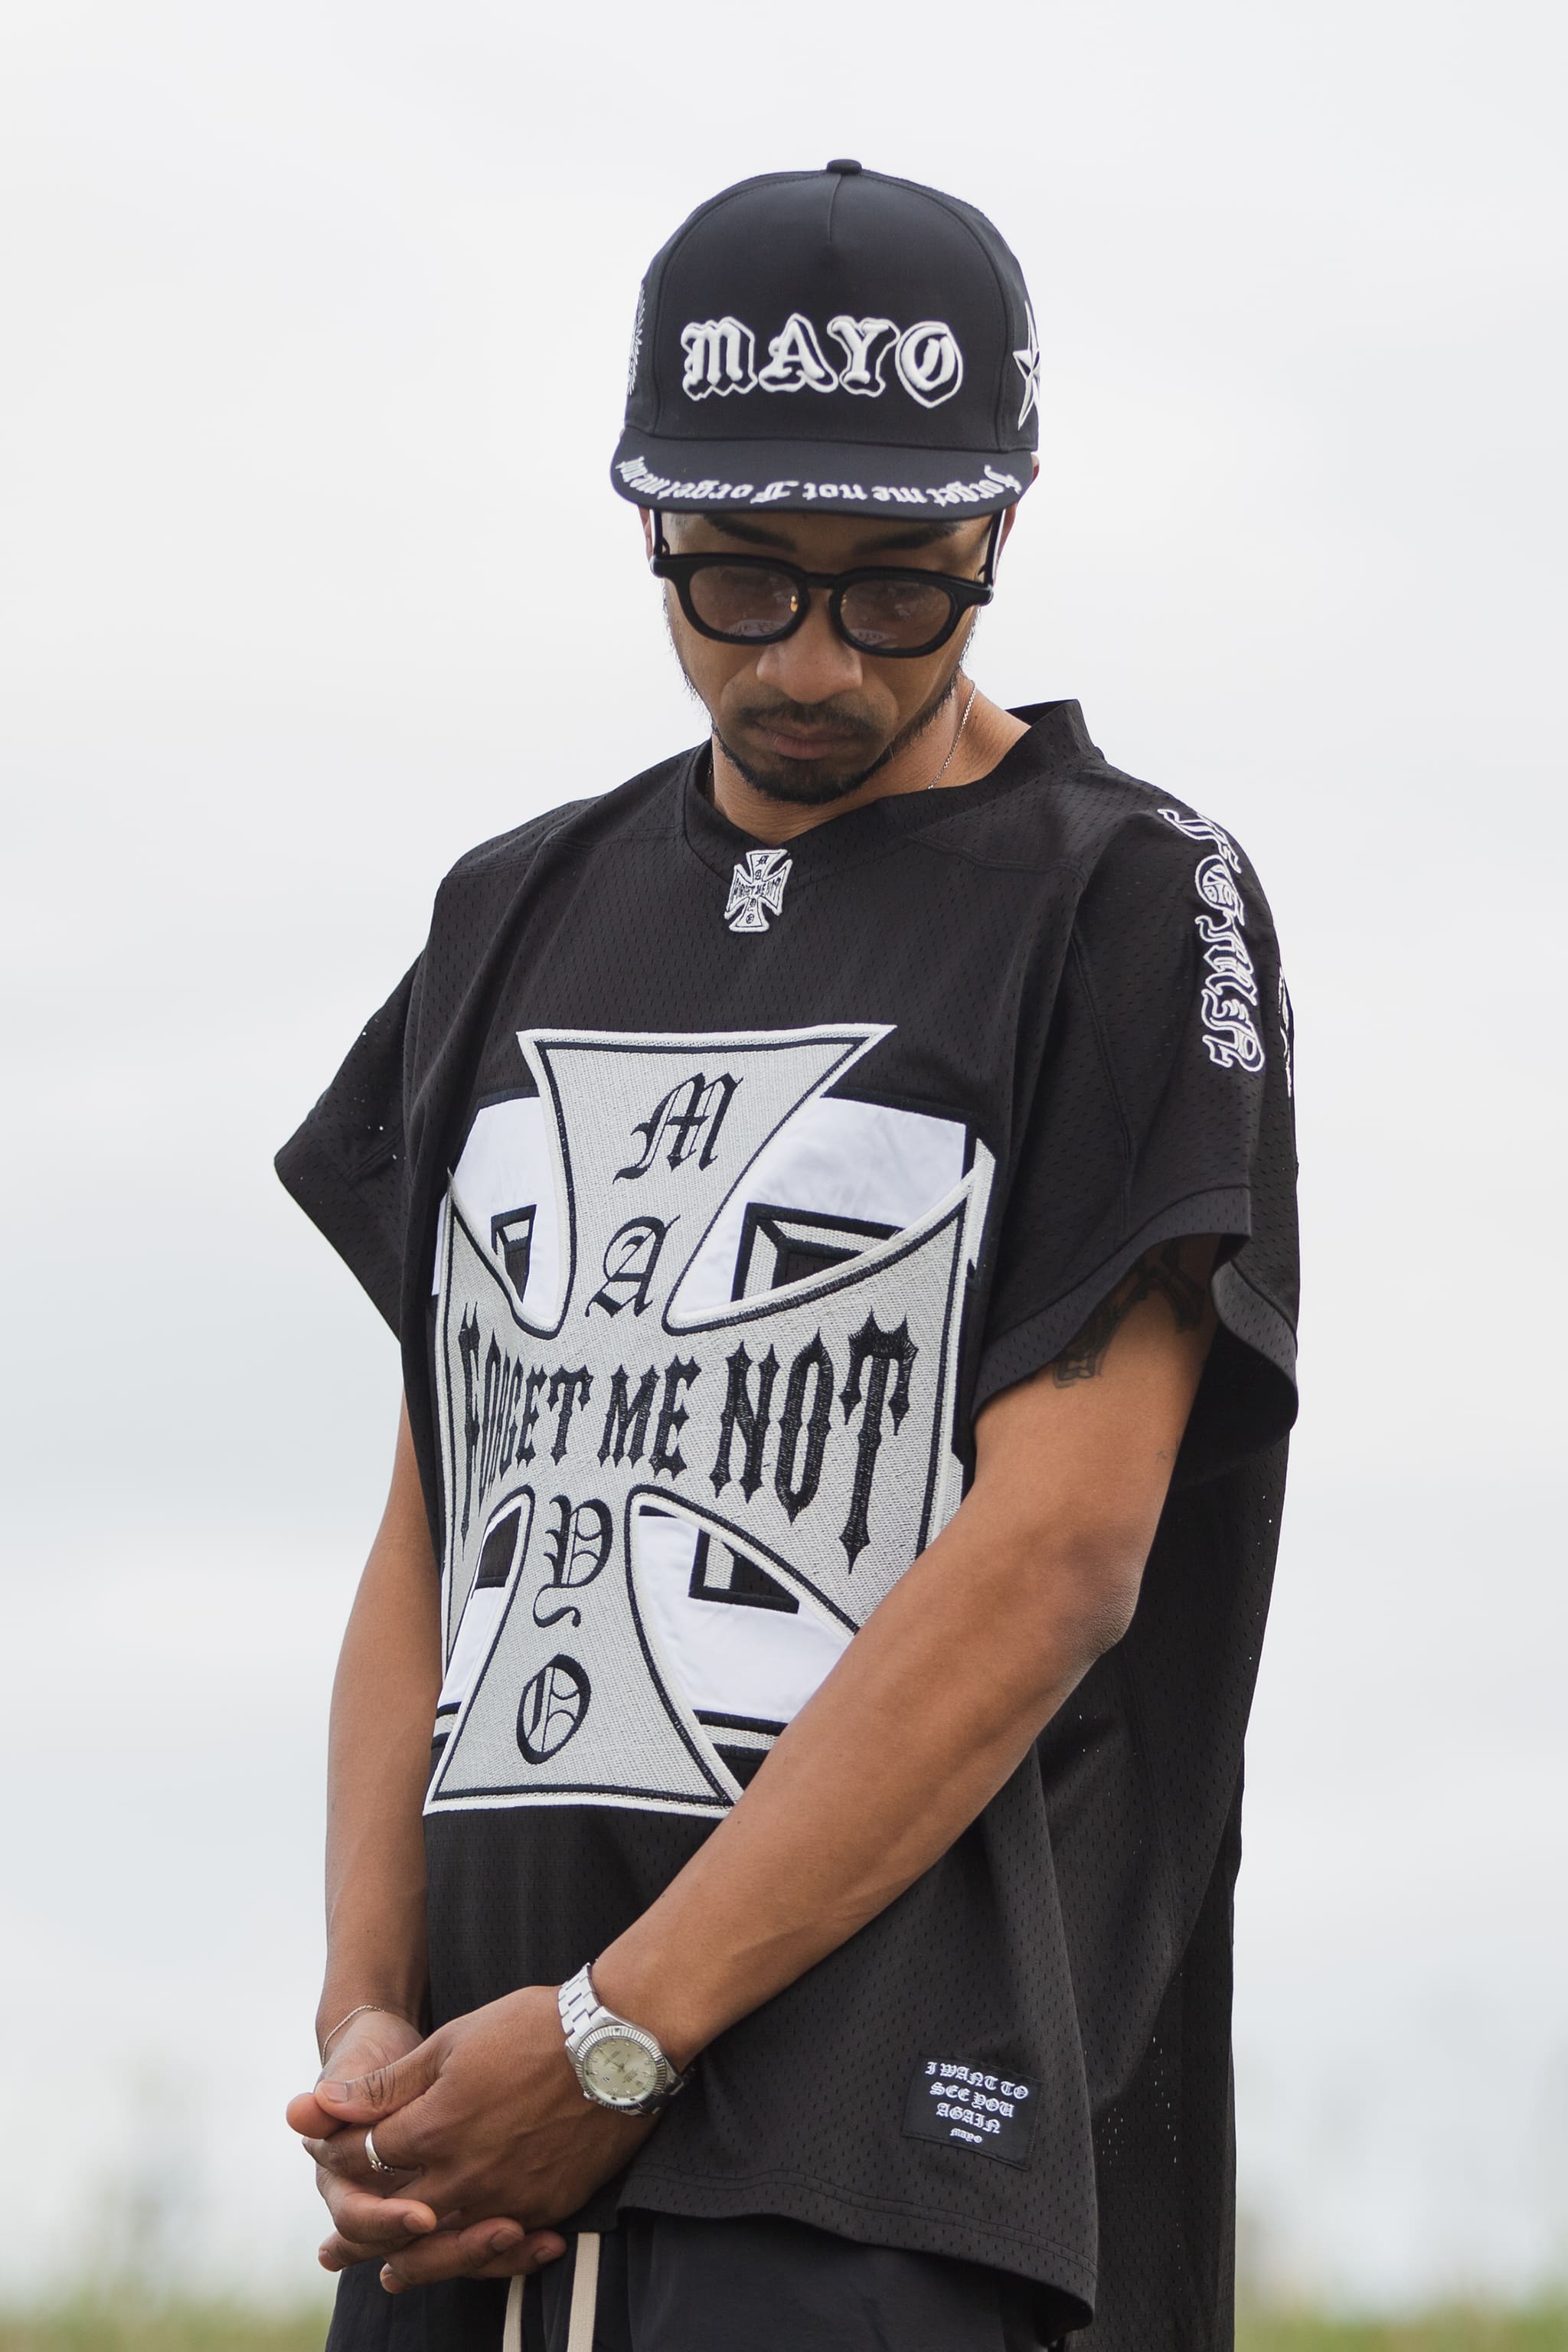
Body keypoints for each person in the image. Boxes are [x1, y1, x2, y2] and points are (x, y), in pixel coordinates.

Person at [279, 160, 1298, 2352]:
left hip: (872, 2182)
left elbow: (1060, 1553)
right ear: (648, 517)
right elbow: (441, 1508)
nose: (812, 659)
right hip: (470, 2165)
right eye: (738, 579)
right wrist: (375, 2025)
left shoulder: (1128, 899)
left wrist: (616, 2039)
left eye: (897, 592)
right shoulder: (513, 909)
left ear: (999, 531)